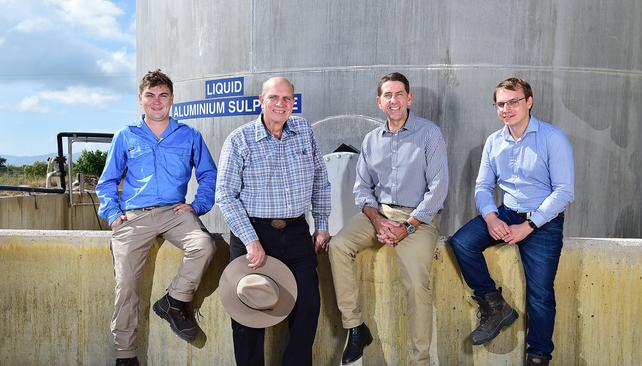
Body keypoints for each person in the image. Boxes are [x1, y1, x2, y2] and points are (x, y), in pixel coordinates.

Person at [448, 77, 574, 366]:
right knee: (462, 243)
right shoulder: (494, 142)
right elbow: (482, 186)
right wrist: (491, 217)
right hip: (506, 212)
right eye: (501, 104)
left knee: (540, 293)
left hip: (543, 222)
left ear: (528, 102)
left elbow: (564, 191)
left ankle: (538, 355)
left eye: (513, 101)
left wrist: (529, 226)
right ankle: (494, 304)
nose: (507, 109)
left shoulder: (552, 138)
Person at [96, 69, 218, 366]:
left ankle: (174, 301)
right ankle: (126, 356)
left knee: (205, 246)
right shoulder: (126, 136)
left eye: (163, 95)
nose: (157, 101)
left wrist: (197, 205)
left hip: (175, 213)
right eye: (150, 95)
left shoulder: (189, 136)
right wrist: (113, 215)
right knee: (125, 286)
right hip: (134, 217)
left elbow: (209, 174)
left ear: (172, 99)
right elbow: (107, 181)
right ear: (141, 100)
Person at [328, 72, 449, 366]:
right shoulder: (371, 140)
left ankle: (419, 360)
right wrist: (379, 221)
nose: (393, 101)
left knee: (417, 286)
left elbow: (438, 188)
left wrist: (406, 227)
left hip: (417, 219)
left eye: (398, 94)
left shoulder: (429, 133)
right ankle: (355, 327)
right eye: (387, 96)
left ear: (409, 98)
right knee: (338, 246)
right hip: (377, 214)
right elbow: (362, 190)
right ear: (379, 102)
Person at [215, 76, 331, 366]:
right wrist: (251, 240)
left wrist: (322, 223)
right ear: (261, 101)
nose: (280, 104)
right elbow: (225, 195)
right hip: (253, 232)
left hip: (296, 232)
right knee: (248, 316)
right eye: (274, 98)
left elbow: (321, 180)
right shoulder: (240, 139)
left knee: (307, 306)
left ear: (294, 102)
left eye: (287, 99)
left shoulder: (304, 130)